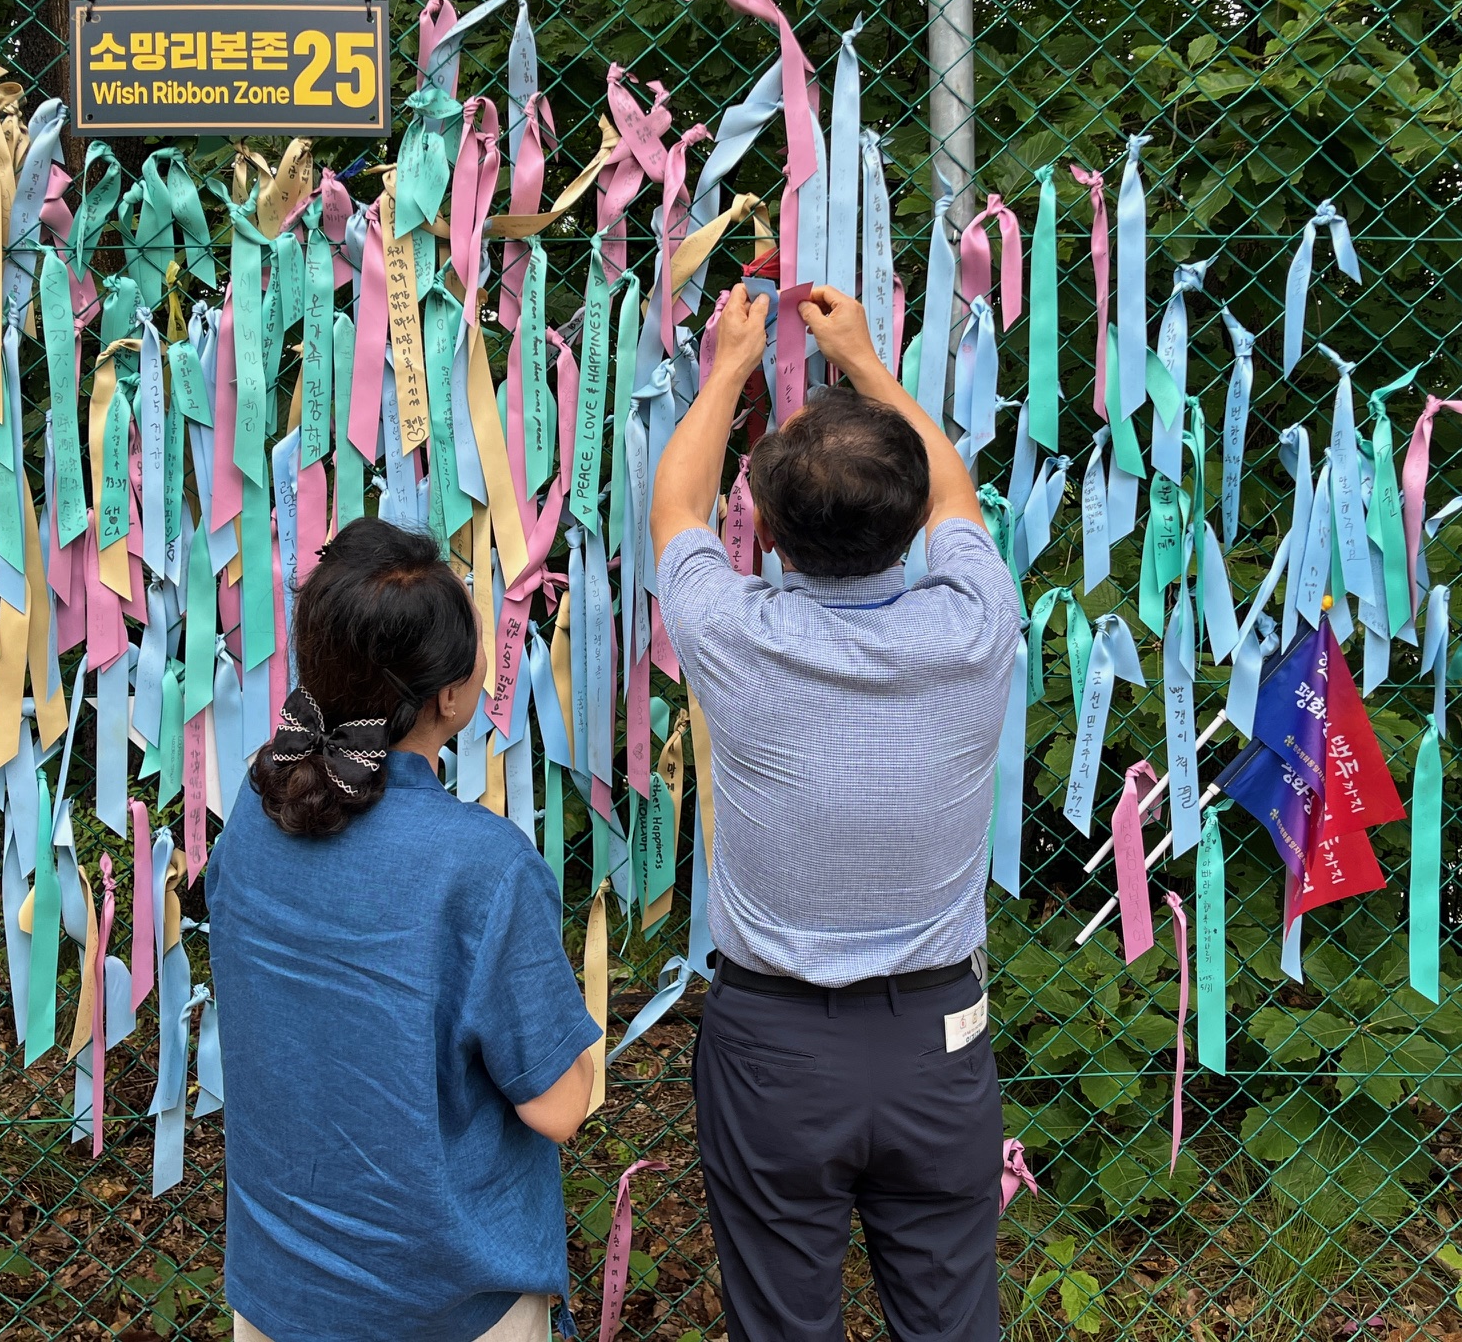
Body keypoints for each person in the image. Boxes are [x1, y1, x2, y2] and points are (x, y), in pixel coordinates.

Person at [650, 284, 1023, 1342]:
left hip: (773, 1050)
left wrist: (727, 367)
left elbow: (675, 513)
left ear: (761, 530)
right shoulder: (975, 625)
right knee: (952, 1322)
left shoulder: (736, 633)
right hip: (937, 1046)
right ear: (915, 528)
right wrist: (865, 362)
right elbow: (957, 497)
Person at [207, 518, 602, 1342]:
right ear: (449, 695)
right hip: (445, 1307)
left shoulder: (250, 816)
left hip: (279, 1294)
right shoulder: (482, 869)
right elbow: (562, 1106)